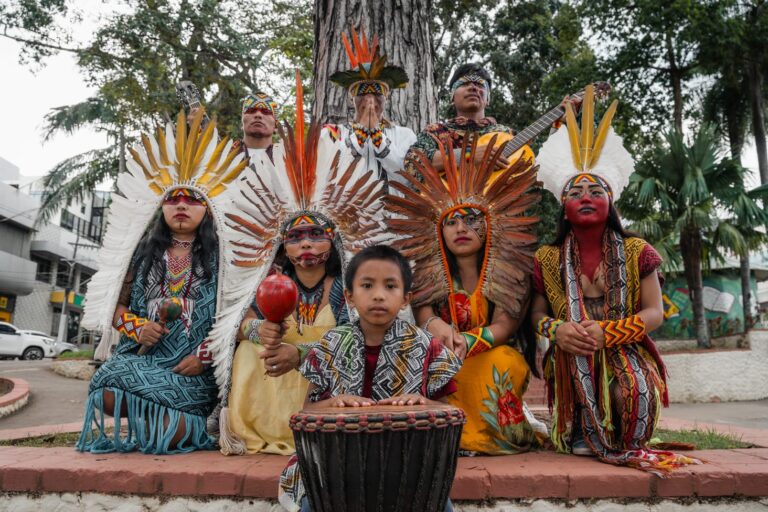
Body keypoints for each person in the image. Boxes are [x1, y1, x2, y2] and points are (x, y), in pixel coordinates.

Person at [211, 72, 389, 455]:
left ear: (335, 239)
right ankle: (253, 428)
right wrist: (259, 330)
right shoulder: (271, 282)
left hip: (322, 385)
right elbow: (235, 327)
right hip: (274, 370)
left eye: (315, 235)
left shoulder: (347, 285)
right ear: (282, 248)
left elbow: (359, 339)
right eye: (294, 237)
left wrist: (304, 354)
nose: (305, 243)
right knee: (246, 353)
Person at [531, 86, 700, 473]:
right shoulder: (547, 257)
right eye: (576, 191)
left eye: (596, 190)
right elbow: (535, 314)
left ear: (611, 202)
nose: (586, 196)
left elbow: (655, 312)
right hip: (570, 350)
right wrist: (557, 330)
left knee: (633, 391)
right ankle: (581, 429)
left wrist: (609, 333)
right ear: (564, 206)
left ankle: (625, 433)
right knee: (575, 360)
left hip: (626, 347)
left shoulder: (638, 250)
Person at [76, 109, 249, 454]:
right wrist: (136, 326)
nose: (181, 205)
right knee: (104, 389)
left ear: (209, 208)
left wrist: (205, 356)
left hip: (196, 367)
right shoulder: (140, 256)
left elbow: (239, 313)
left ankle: (181, 421)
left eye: (192, 199)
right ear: (161, 207)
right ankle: (165, 418)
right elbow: (113, 305)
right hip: (145, 359)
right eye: (173, 198)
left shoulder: (226, 259)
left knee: (169, 436)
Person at [387, 133, 547, 454]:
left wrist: (468, 341)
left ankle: (482, 438)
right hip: (441, 352)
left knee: (502, 361)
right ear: (439, 230)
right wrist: (440, 329)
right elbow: (423, 311)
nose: (461, 228)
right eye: (452, 221)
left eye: (472, 219)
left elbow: (507, 324)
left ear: (489, 224)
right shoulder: (428, 270)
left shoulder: (511, 268)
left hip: (488, 352)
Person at [278, 245, 462, 512]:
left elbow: (448, 414)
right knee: (311, 506)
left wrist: (423, 402)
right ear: (350, 297)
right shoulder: (331, 345)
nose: (378, 295)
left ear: (406, 298)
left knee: (440, 505)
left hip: (406, 466)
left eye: (390, 286)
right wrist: (335, 402)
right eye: (367, 286)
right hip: (339, 466)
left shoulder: (427, 347)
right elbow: (308, 412)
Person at [322, 27, 416, 189]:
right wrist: (361, 132)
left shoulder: (404, 135)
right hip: (346, 213)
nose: (370, 100)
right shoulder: (332, 133)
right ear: (353, 99)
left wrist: (378, 137)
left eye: (377, 94)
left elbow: (408, 179)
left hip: (393, 213)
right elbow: (329, 176)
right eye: (363, 94)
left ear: (386, 99)